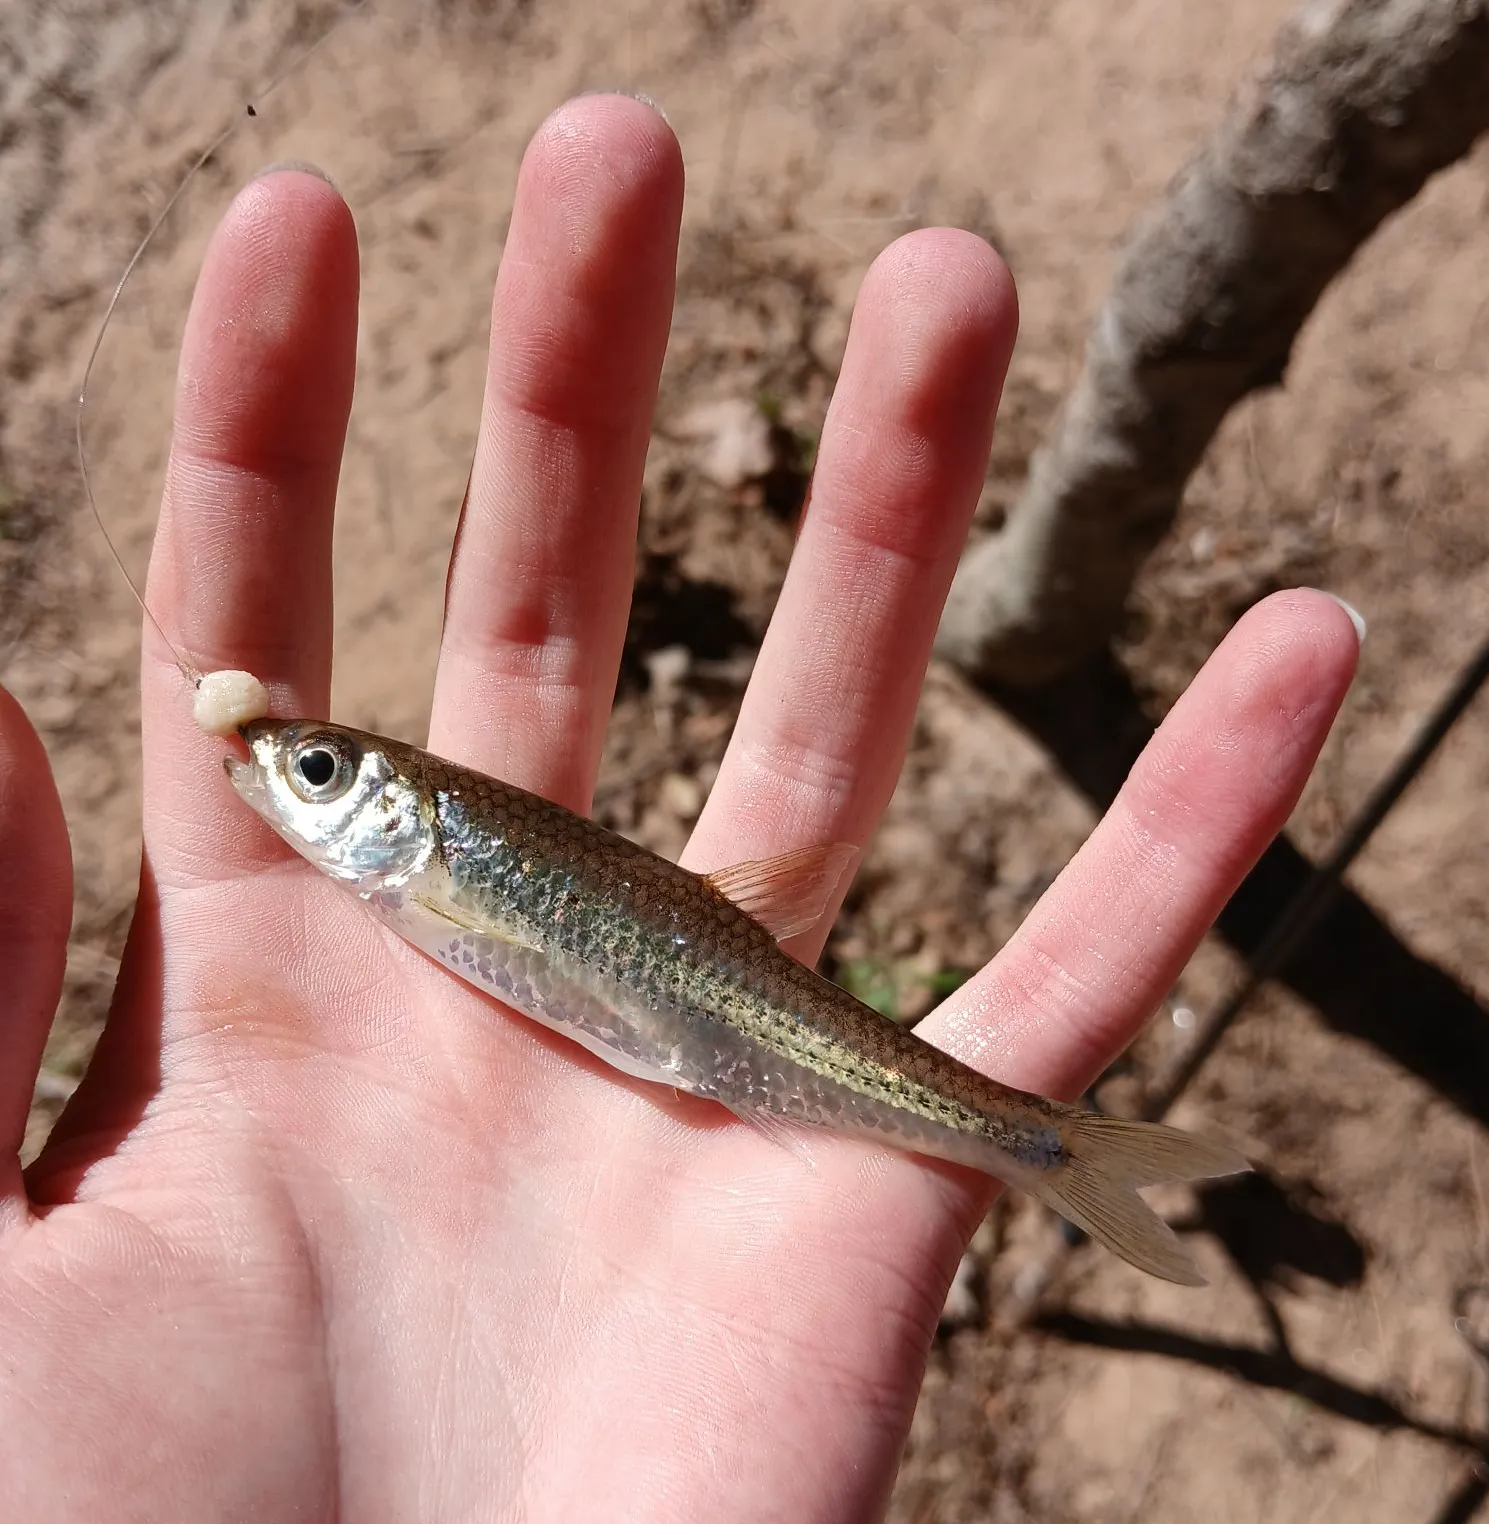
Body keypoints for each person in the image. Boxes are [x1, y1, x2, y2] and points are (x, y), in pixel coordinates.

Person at [0, 96, 1358, 1520]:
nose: (292, 778)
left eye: (326, 772)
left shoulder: (433, 861)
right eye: (316, 771)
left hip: (740, 1021)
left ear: (407, 822)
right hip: (730, 1018)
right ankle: (1045, 1141)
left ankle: (1047, 1140)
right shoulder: (412, 859)